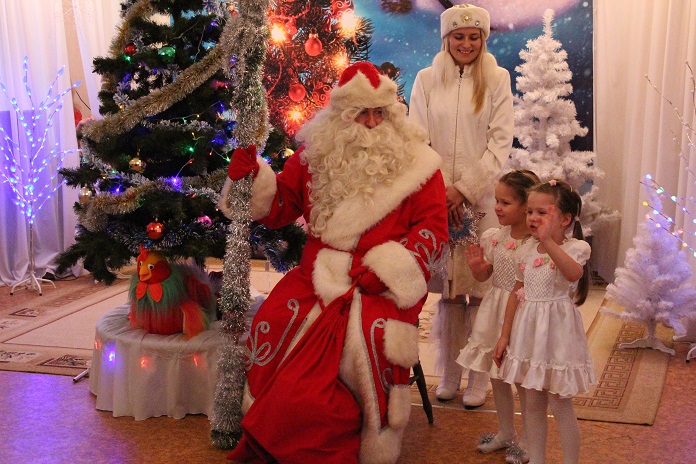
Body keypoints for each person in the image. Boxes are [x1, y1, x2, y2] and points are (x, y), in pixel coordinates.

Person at [219, 62, 449, 464]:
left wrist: (389, 268)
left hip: (382, 283)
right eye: (362, 113)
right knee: (276, 319)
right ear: (342, 115)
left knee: (368, 336)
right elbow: (279, 208)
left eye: (380, 113)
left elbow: (433, 229)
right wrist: (253, 179)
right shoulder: (314, 157)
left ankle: (358, 435)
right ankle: (282, 420)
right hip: (317, 275)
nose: (373, 123)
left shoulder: (420, 164)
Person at [409, 3, 514, 407]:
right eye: (458, 36)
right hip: (438, 200)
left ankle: (479, 377)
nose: (466, 44)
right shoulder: (426, 79)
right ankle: (451, 372)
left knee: (480, 289)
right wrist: (441, 189)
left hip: (482, 202)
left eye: (473, 37)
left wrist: (465, 189)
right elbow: (417, 137)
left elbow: (499, 142)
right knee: (450, 292)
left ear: (482, 39)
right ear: (446, 38)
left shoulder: (498, 79)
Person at [494, 179, 596, 464]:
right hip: (529, 334)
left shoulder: (576, 247)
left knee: (560, 404)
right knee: (532, 404)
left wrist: (549, 242)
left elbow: (573, 274)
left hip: (557, 335)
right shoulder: (525, 250)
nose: (533, 218)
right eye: (530, 211)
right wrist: (504, 335)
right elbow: (516, 292)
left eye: (542, 213)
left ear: (565, 219)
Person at [456, 170, 540, 463]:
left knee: (522, 380)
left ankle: (529, 440)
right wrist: (478, 269)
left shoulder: (536, 244)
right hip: (495, 310)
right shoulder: (494, 237)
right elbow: (486, 275)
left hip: (521, 313)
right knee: (498, 375)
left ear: (526, 206)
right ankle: (506, 431)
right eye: (497, 201)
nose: (497, 208)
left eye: (506, 203)